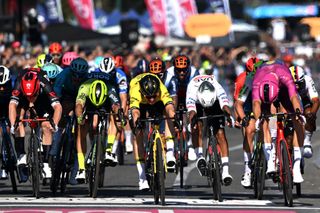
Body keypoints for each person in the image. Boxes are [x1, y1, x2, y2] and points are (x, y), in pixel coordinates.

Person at [252, 60, 304, 183]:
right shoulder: (257, 81)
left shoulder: (284, 74)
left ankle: (296, 166)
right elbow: (256, 103)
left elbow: (293, 97)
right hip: (265, 93)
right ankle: (270, 160)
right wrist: (258, 119)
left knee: (298, 120)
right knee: (264, 121)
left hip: (284, 89)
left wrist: (298, 111)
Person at [9, 68, 62, 181]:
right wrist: (14, 125)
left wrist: (55, 125)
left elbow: (58, 107)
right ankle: (22, 154)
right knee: (18, 122)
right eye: (28, 96)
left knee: (47, 126)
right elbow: (12, 105)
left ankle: (47, 163)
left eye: (32, 96)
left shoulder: (45, 84)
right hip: (22, 100)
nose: (30, 99)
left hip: (42, 101)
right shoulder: (19, 83)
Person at [129, 73, 178, 190]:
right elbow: (135, 111)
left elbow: (170, 107)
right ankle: (142, 178)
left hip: (158, 102)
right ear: (142, 92)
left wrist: (175, 119)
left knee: (169, 116)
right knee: (138, 133)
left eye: (153, 96)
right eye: (149, 97)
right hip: (140, 104)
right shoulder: (136, 90)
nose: (151, 99)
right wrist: (137, 122)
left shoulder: (161, 88)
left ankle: (170, 152)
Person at [186, 75, 235, 185]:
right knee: (197, 126)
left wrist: (229, 117)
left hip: (215, 104)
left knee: (221, 133)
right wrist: (191, 122)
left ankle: (226, 172)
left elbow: (225, 106)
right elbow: (192, 111)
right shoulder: (192, 91)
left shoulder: (218, 89)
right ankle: (200, 157)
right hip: (198, 104)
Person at [75, 79, 122, 181]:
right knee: (81, 130)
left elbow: (116, 106)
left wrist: (120, 116)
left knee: (115, 118)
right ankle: (81, 168)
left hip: (105, 104)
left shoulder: (110, 89)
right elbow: (79, 105)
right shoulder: (84, 88)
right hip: (89, 105)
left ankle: (109, 151)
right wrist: (80, 118)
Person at [234, 57, 262, 187]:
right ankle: (247, 170)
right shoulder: (243, 79)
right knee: (249, 131)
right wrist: (239, 118)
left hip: (265, 104)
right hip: (248, 106)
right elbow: (237, 102)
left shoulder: (269, 77)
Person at [167, 55, 199, 161]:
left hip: (189, 95)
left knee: (191, 115)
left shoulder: (194, 73)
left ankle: (190, 144)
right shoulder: (169, 73)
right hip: (173, 94)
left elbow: (195, 93)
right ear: (175, 68)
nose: (181, 72)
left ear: (188, 68)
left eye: (184, 70)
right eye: (179, 70)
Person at [289, 65, 319, 158]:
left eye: (299, 84)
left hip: (304, 99)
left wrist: (311, 115)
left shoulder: (308, 80)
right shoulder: (284, 81)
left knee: (310, 113)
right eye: (294, 84)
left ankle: (307, 141)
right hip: (289, 100)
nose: (297, 87)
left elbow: (316, 100)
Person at [0, 66, 14, 179]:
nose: (2, 88)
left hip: (8, 106)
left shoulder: (13, 83)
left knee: (9, 129)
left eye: (4, 86)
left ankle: (8, 155)